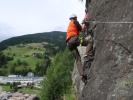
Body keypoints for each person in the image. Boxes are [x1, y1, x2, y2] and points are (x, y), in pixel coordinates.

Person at [66, 14, 87, 83]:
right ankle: (89, 55)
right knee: (89, 42)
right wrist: (84, 22)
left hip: (69, 44)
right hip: (74, 40)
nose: (76, 19)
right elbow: (82, 29)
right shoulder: (75, 22)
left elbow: (77, 31)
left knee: (78, 59)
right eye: (76, 18)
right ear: (74, 18)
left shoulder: (70, 25)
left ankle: (82, 75)